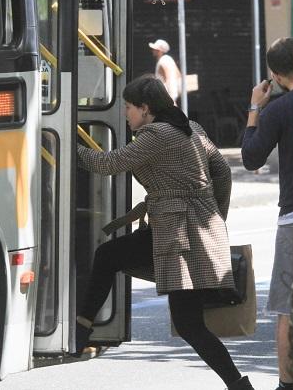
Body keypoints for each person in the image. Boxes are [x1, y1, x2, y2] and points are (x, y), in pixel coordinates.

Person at [75, 75, 254, 390]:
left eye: (129, 107)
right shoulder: (191, 128)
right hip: (185, 227)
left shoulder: (156, 134)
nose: (126, 113)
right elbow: (223, 172)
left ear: (145, 109)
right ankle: (81, 330)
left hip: (179, 233)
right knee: (111, 257)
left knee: (189, 324)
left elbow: (107, 164)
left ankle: (81, 330)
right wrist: (215, 215)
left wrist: (65, 143)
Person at [241, 37, 293, 390]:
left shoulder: (277, 109)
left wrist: (254, 108)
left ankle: (287, 385)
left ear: (275, 76)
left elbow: (251, 157)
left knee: (288, 308)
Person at [149, 39, 182, 104]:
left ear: (159, 51)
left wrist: (171, 99)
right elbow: (178, 75)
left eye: (155, 49)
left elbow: (170, 78)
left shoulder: (164, 60)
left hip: (166, 98)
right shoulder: (167, 59)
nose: (152, 51)